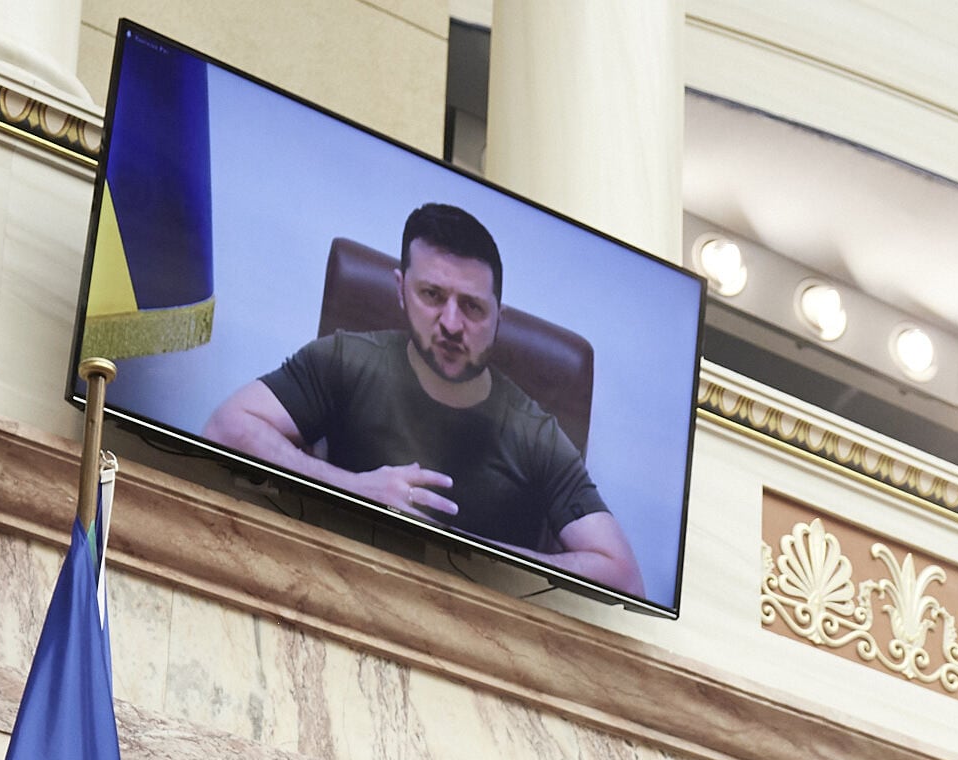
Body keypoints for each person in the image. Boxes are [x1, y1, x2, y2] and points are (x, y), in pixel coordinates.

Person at [205, 201, 646, 598]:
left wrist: (474, 550)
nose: (452, 323)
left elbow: (623, 574)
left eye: (472, 307)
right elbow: (226, 428)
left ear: (498, 319)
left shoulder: (535, 433)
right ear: (401, 289)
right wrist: (357, 489)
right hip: (326, 585)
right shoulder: (346, 359)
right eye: (432, 296)